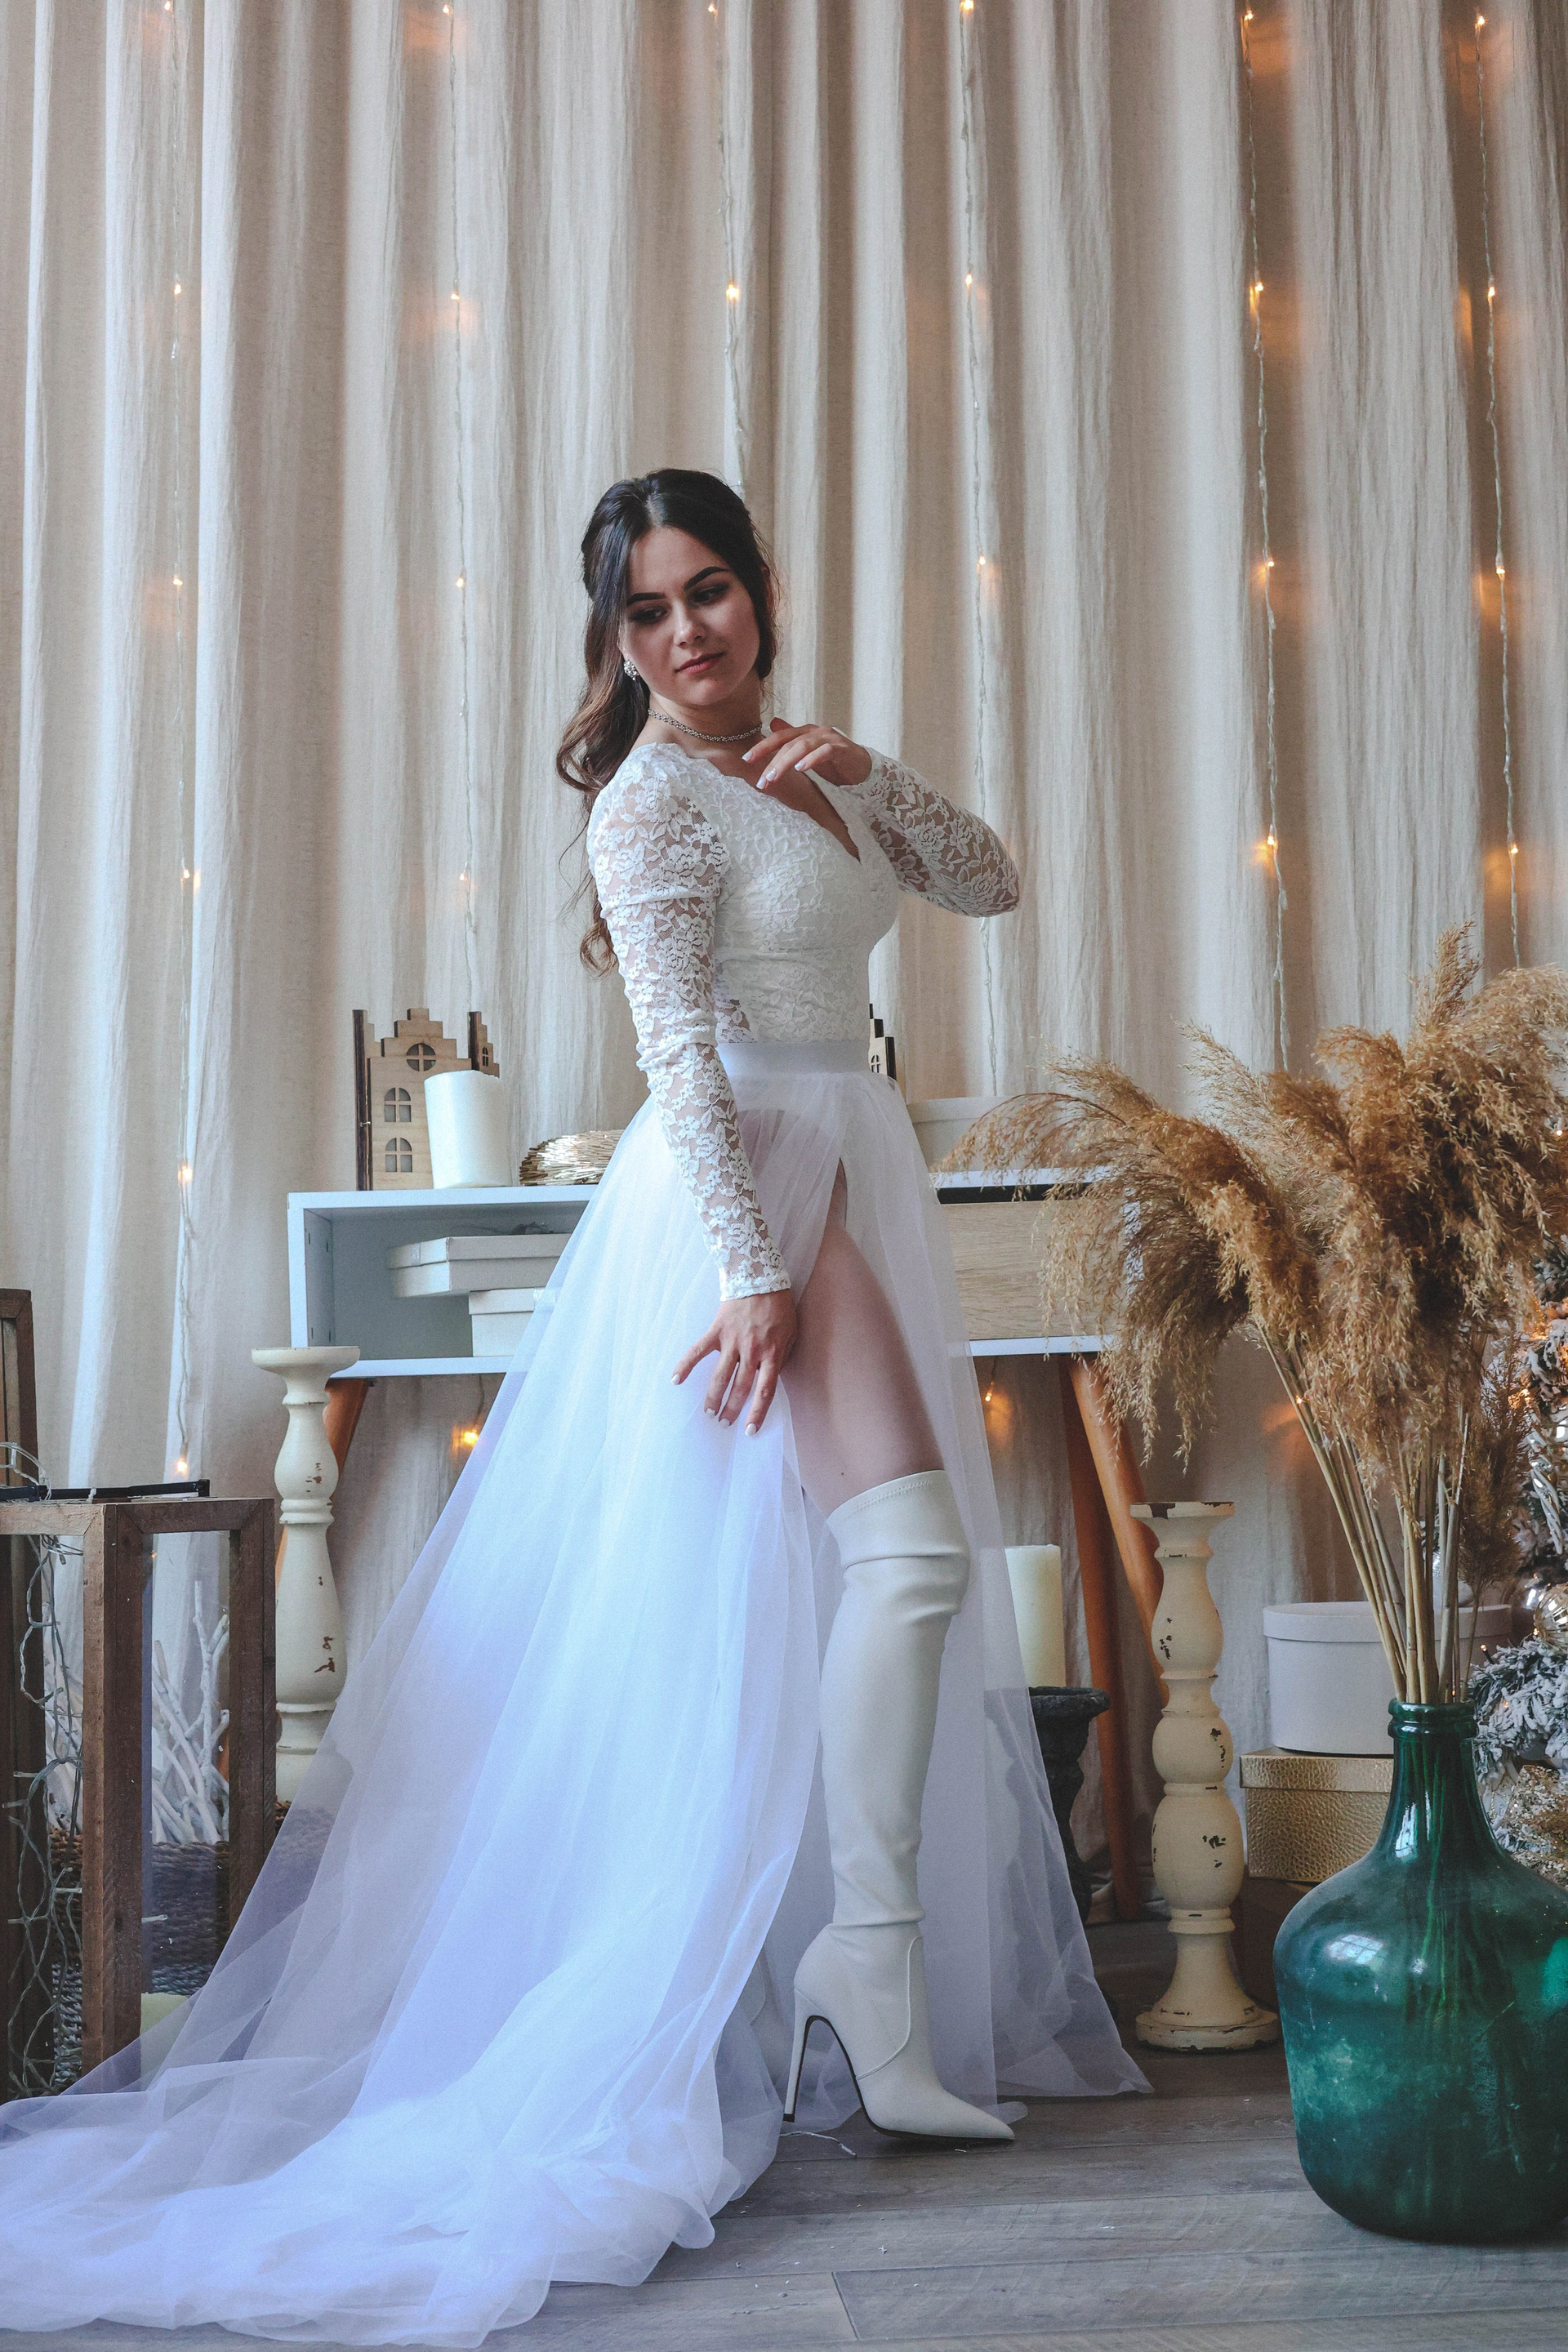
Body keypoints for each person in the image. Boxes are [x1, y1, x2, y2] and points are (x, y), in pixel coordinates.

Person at [0, 469, 1141, 2344]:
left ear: (761, 593)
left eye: (713, 593)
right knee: (902, 1561)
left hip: (843, 1155)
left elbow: (987, 878)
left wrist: (870, 773)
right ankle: (850, 1975)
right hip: (744, 1176)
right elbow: (678, 1047)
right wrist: (753, 1266)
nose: (688, 633)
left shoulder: (808, 773)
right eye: (649, 611)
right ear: (616, 640)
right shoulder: (648, 802)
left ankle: (863, 1974)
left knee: (896, 1570)